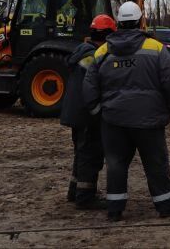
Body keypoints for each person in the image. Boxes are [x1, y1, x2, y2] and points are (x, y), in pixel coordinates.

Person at [83, 1, 170, 221]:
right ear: (139, 21)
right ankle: (165, 207)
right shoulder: (155, 48)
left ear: (118, 23)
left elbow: (89, 85)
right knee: (155, 163)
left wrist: (98, 110)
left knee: (116, 164)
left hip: (114, 121)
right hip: (149, 120)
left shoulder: (102, 51)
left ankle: (115, 210)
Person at [61, 13, 116, 209]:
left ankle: (74, 191)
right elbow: (98, 86)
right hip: (86, 112)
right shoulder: (96, 56)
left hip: (75, 111)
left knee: (80, 152)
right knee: (90, 155)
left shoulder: (82, 50)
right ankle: (85, 197)